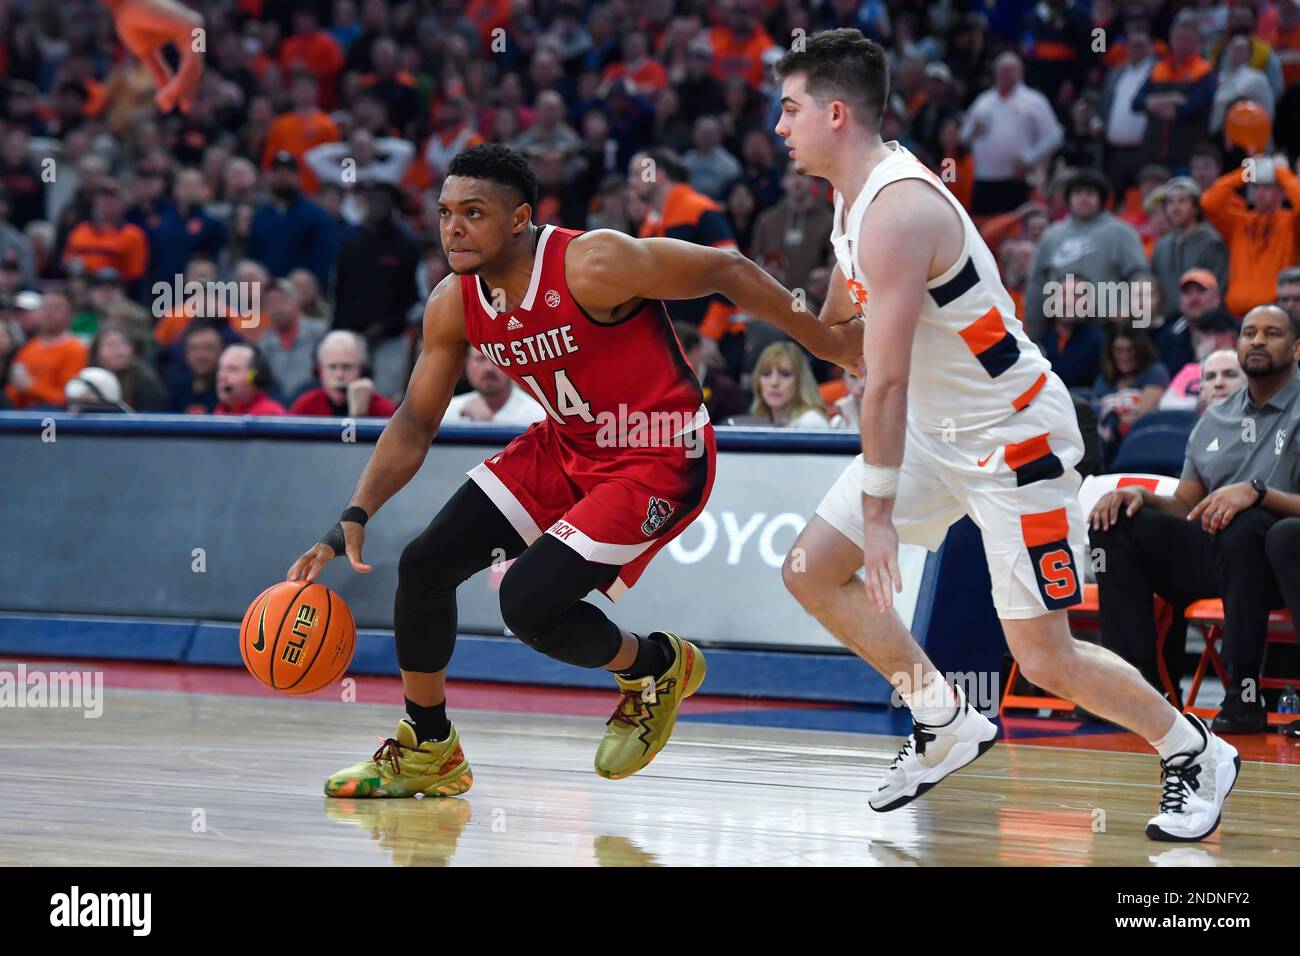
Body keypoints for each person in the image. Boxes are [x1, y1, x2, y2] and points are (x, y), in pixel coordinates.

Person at [772, 28, 1239, 842]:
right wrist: (769, 302)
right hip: (936, 429)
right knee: (811, 570)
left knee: (1046, 657)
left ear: (836, 113)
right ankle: (943, 718)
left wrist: (880, 513)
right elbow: (849, 338)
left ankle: (1195, 748)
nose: (779, 127)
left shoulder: (899, 208)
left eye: (789, 109)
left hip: (1012, 440)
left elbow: (880, 380)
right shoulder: (850, 196)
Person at [285, 144, 860, 799]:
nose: (453, 228)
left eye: (474, 213)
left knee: (526, 602)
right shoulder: (453, 303)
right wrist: (351, 515)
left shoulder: (594, 263)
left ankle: (656, 667)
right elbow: (415, 422)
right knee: (425, 565)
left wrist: (828, 344)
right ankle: (427, 746)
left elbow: (726, 269)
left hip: (658, 453)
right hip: (567, 445)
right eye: (445, 212)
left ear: (520, 218)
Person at [1090, 306, 1300, 734]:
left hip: (1280, 558)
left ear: (1296, 348)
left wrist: (1257, 492)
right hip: (1219, 554)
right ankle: (1138, 691)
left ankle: (1244, 696)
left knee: (1246, 522)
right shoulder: (1215, 418)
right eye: (1249, 332)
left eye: (1272, 333)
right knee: (1117, 524)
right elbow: (1187, 502)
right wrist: (1141, 497)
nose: (1257, 340)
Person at [1149, 176, 1228, 320]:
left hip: (1204, 321)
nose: (1175, 207)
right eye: (1170, 202)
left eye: (1182, 201)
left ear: (1196, 208)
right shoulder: (1161, 245)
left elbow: (1219, 287)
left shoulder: (1212, 242)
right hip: (1167, 321)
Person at [4, 290, 87, 409]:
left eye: (57, 308)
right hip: (23, 415)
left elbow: (69, 398)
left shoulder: (76, 349)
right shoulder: (28, 348)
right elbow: (13, 391)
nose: (49, 313)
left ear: (70, 314)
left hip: (56, 418)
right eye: (46, 306)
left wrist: (32, 386)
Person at [289, 330, 397, 418]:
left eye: (347, 367)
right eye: (332, 367)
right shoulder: (305, 407)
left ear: (362, 369)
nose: (339, 375)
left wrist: (359, 416)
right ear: (320, 369)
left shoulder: (383, 409)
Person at [256, 279, 327, 403]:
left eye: (282, 300)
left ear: (296, 302)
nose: (277, 308)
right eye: (270, 303)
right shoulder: (262, 347)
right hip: (278, 411)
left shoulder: (321, 334)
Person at [440, 346, 545, 427]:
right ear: (467, 363)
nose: (489, 368)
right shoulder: (446, 414)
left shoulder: (538, 417)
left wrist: (484, 424)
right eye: (480, 359)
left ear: (514, 363)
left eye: (497, 359)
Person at [750, 341, 831, 427]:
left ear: (801, 381)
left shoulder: (811, 422)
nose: (774, 382)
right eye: (766, 374)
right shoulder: (761, 422)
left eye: (785, 374)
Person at [1160, 347, 1245, 412]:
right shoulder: (1194, 434)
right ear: (1202, 390)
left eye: (1229, 375)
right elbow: (1164, 404)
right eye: (1210, 377)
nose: (1218, 383)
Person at [213, 342, 286, 416]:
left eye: (232, 369)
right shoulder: (219, 412)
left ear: (255, 377)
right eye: (220, 369)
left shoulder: (270, 415)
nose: (221, 376)